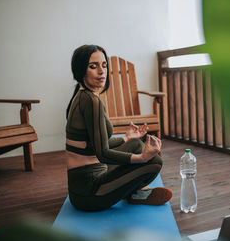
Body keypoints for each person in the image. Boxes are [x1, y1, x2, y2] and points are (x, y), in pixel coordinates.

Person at [65, 44, 172, 211]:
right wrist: (142, 158)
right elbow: (102, 153)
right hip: (89, 193)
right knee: (154, 161)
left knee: (136, 144)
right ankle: (134, 193)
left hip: (83, 184)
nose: (102, 71)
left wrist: (127, 138)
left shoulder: (83, 96)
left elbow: (97, 144)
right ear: (80, 70)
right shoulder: (90, 101)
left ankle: (132, 190)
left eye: (104, 65)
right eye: (93, 66)